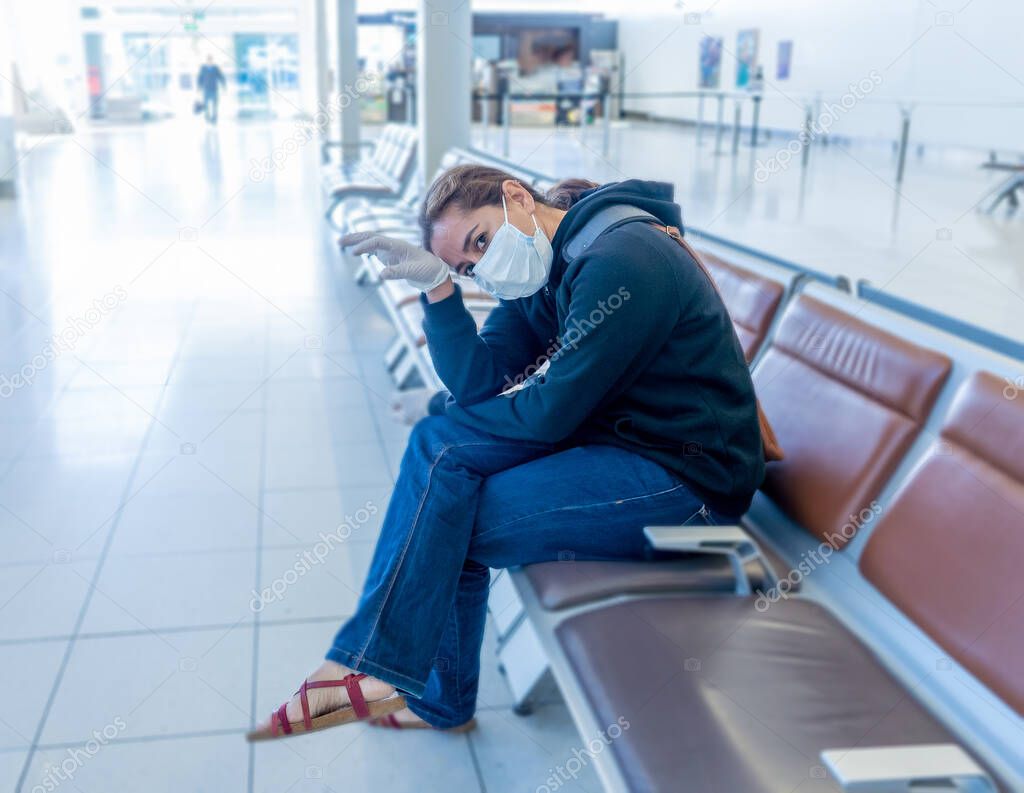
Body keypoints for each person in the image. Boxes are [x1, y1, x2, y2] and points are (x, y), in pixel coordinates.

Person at [247, 167, 766, 739]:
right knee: (439, 465)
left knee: (446, 510)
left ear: (517, 198)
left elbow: (549, 415)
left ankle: (397, 682)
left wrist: (444, 413)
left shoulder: (622, 260)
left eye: (481, 241)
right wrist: (439, 291)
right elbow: (481, 381)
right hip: (619, 445)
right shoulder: (542, 268)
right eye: (469, 266)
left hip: (687, 479)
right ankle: (404, 685)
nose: (482, 268)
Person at [196, 56, 226, 125]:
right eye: (208, 61)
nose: (210, 62)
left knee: (215, 105)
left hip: (214, 89)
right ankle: (207, 118)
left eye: (211, 61)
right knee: (206, 105)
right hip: (206, 89)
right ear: (206, 61)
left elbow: (221, 77)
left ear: (212, 61)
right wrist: (198, 87)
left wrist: (223, 86)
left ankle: (214, 119)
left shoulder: (216, 68)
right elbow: (200, 78)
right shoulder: (203, 68)